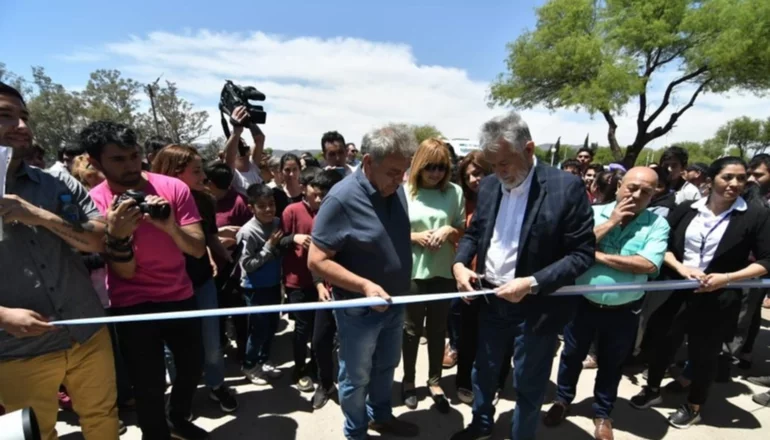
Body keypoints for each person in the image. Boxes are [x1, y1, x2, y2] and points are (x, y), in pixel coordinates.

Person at [450, 111, 595, 440]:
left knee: (529, 383)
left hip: (537, 307)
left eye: (505, 162)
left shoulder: (565, 188)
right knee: (483, 372)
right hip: (490, 300)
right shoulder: (489, 186)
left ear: (529, 149)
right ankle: (482, 425)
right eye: (493, 164)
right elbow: (474, 234)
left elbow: (582, 254)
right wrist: (460, 264)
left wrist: (532, 282)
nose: (499, 172)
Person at [0, 82, 120, 440]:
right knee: (33, 433)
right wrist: (3, 316)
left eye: (24, 117)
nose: (22, 126)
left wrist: (38, 215)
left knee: (103, 418)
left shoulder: (56, 185)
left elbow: (98, 239)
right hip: (17, 348)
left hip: (87, 331)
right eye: (6, 116)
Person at [83, 120, 209, 439]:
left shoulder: (173, 188)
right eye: (118, 159)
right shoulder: (93, 202)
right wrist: (118, 234)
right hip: (131, 304)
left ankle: (178, 417)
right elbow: (122, 271)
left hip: (180, 295)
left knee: (193, 367)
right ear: (96, 162)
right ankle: (155, 434)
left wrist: (168, 226)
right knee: (148, 382)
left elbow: (196, 249)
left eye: (134, 155)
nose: (130, 165)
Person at [631, 157, 770, 428]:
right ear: (711, 179)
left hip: (718, 297)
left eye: (741, 178)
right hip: (677, 290)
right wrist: (682, 268)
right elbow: (663, 246)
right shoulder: (686, 209)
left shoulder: (755, 215)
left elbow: (766, 261)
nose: (735, 183)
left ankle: (694, 405)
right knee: (662, 342)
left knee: (704, 354)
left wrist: (727, 278)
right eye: (727, 177)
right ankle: (652, 389)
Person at [308, 123, 419, 440]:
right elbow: (316, 260)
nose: (401, 179)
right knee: (356, 376)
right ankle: (355, 431)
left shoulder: (394, 188)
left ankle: (381, 417)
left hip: (395, 302)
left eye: (404, 171)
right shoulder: (340, 200)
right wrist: (365, 286)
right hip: (360, 309)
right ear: (368, 162)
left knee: (387, 366)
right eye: (395, 172)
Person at [543, 167, 670, 440]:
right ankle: (562, 400)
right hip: (583, 304)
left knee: (612, 364)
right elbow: (572, 247)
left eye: (646, 192)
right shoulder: (593, 213)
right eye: (632, 187)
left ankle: (602, 413)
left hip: (624, 310)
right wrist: (611, 221)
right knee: (571, 356)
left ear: (653, 196)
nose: (636, 195)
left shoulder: (657, 224)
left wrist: (594, 255)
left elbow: (648, 264)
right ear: (618, 185)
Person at [151, 145, 239, 413]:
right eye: (197, 171)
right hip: (167, 288)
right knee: (174, 348)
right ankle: (182, 396)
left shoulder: (205, 200)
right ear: (173, 173)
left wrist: (221, 255)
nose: (204, 177)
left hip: (201, 283)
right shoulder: (153, 205)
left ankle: (216, 385)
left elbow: (208, 236)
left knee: (212, 342)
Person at [401, 138, 465, 413]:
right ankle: (408, 381)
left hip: (443, 272)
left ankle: (435, 380)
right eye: (430, 167)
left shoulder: (454, 193)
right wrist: (415, 236)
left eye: (441, 167)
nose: (436, 173)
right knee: (411, 331)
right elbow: (389, 234)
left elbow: (463, 230)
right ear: (419, 166)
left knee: (439, 330)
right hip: (414, 272)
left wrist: (450, 231)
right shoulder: (404, 192)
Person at [291, 170, 344, 409]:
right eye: (318, 195)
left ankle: (352, 389)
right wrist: (320, 284)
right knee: (320, 341)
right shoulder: (321, 220)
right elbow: (316, 257)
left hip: (353, 294)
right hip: (327, 293)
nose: (321, 201)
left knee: (351, 347)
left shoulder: (355, 216)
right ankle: (325, 384)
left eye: (326, 195)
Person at [237, 183, 292, 385]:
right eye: (262, 206)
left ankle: (263, 360)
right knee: (258, 329)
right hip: (255, 288)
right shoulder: (248, 232)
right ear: (252, 208)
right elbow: (247, 265)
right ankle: (249, 365)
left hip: (273, 285)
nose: (268, 209)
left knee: (271, 327)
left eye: (271, 204)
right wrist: (268, 248)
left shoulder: (278, 223)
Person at [281, 166, 325, 393]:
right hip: (296, 281)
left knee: (321, 331)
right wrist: (293, 238)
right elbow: (277, 243)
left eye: (321, 194)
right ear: (303, 189)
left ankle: (317, 365)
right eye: (313, 193)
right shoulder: (291, 211)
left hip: (324, 283)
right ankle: (299, 369)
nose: (318, 198)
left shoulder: (328, 211)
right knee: (302, 328)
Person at [223, 106, 266, 196]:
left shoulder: (253, 167)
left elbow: (260, 139)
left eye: (244, 147)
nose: (243, 152)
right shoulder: (233, 174)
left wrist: (249, 122)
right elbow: (230, 156)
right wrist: (236, 131)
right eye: (238, 148)